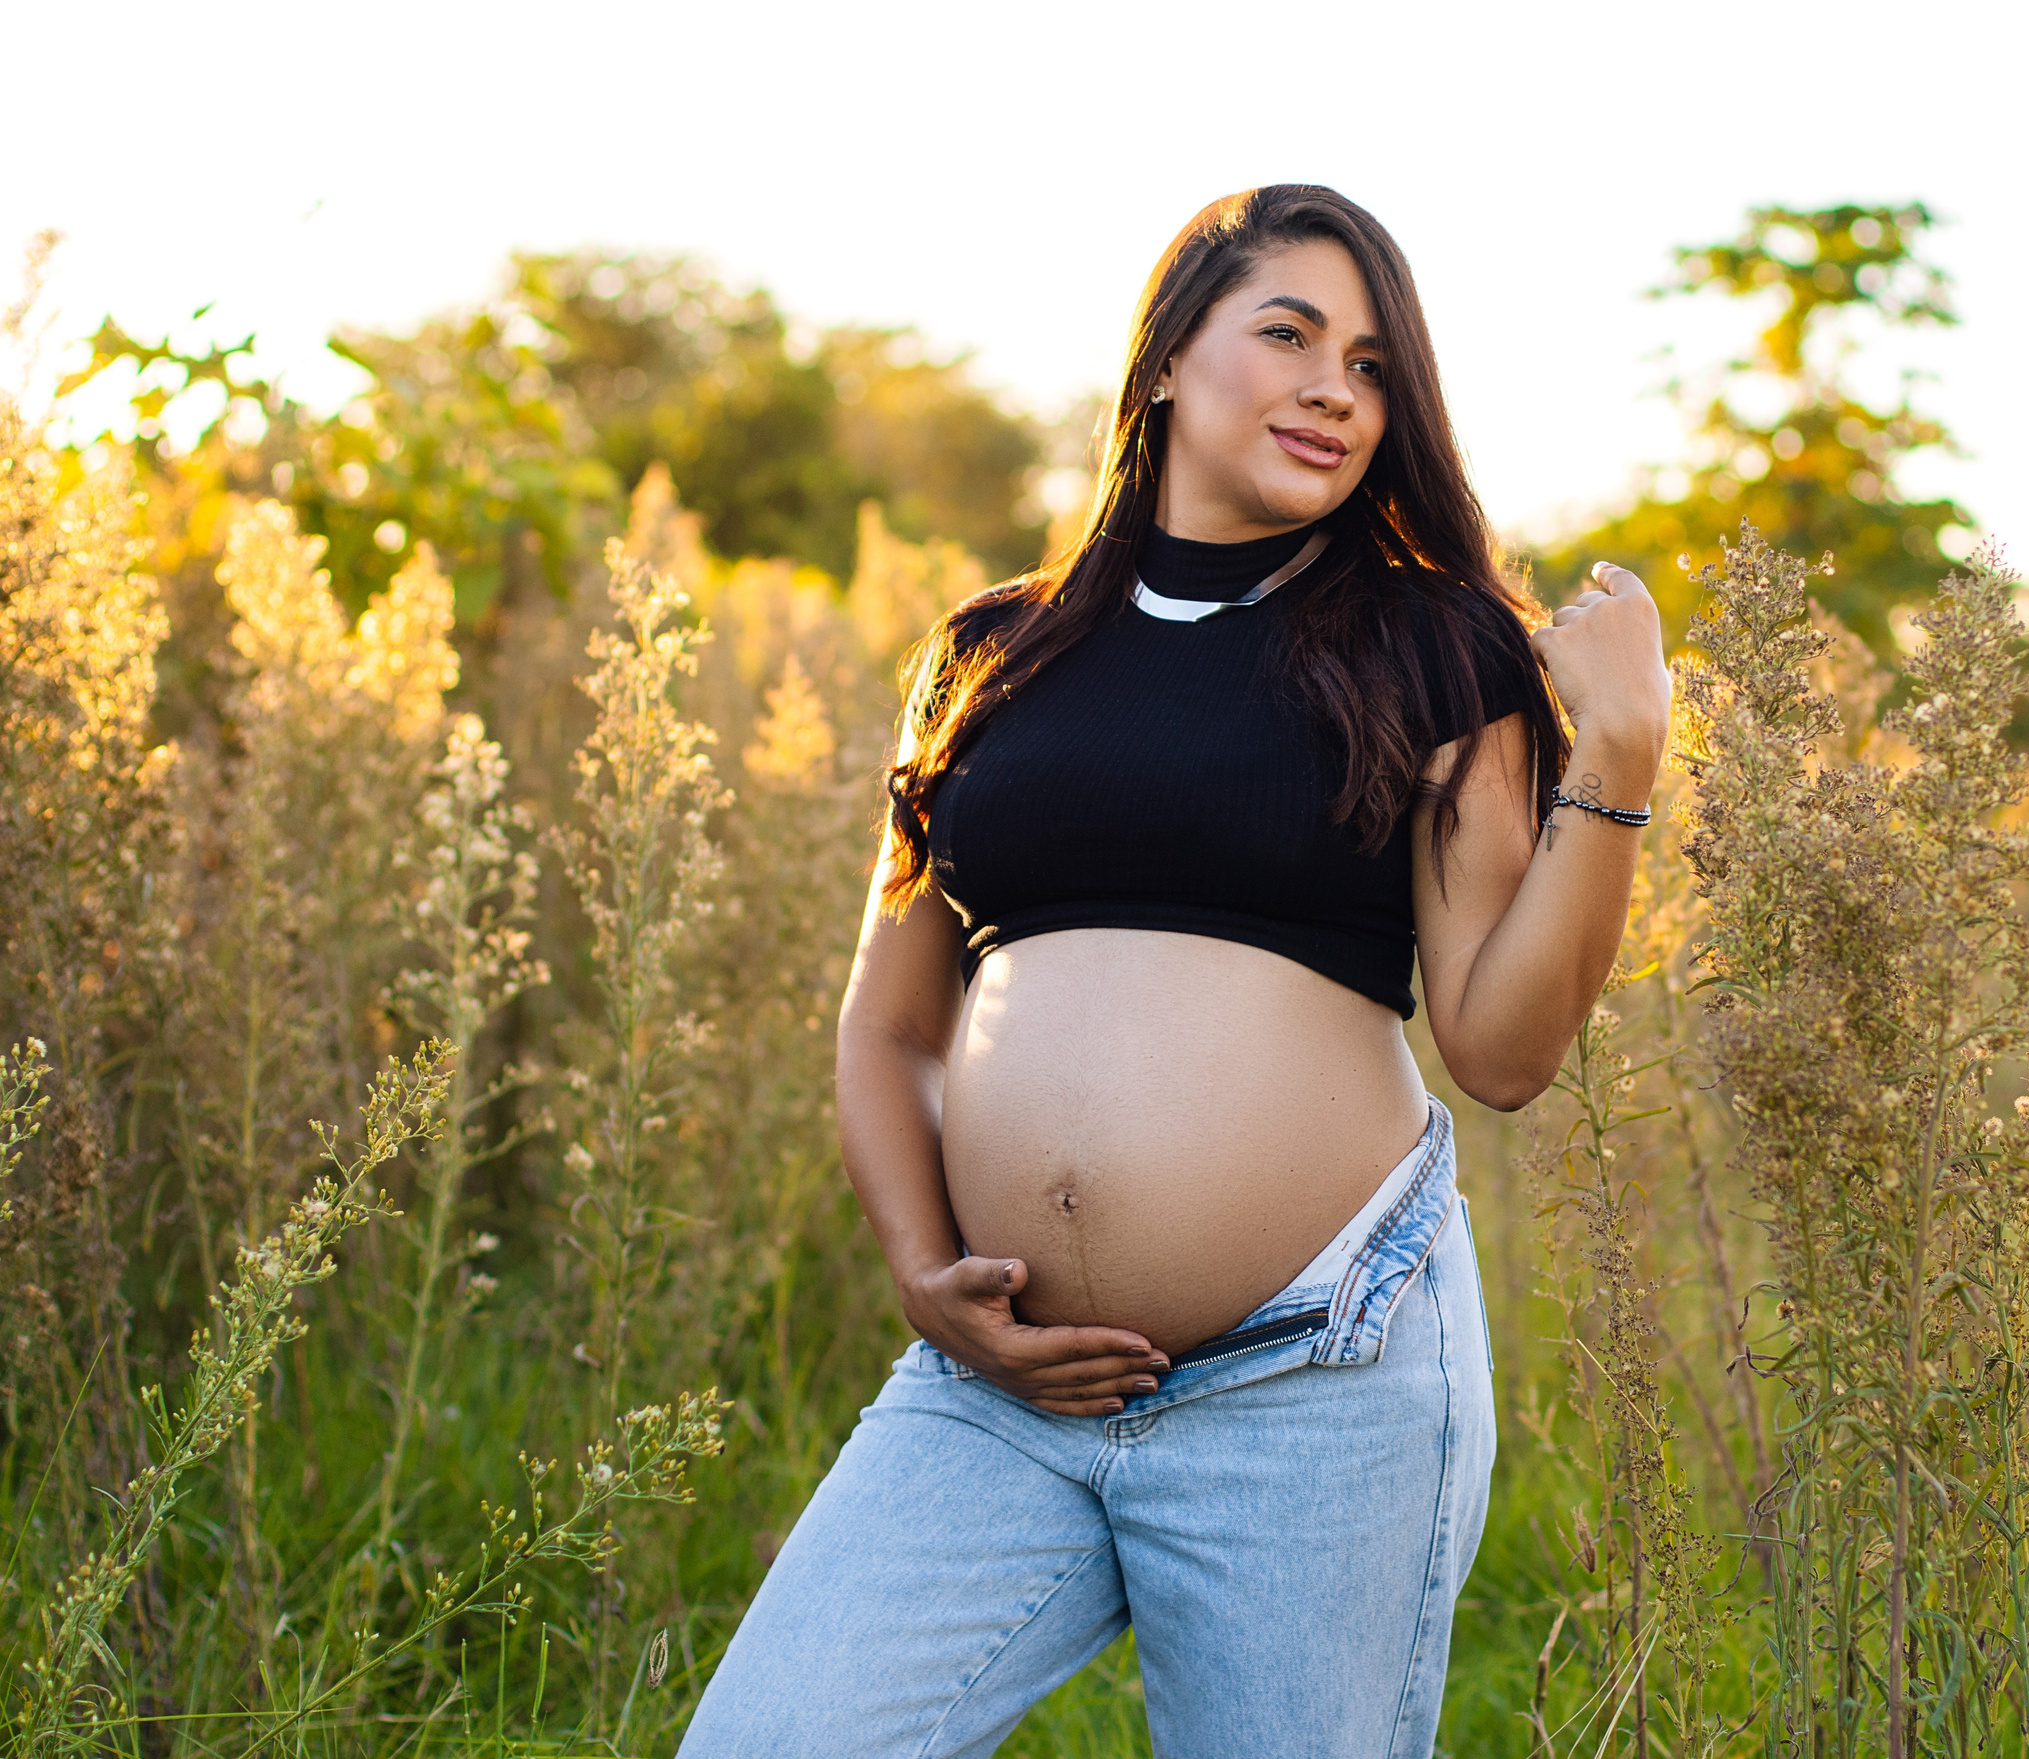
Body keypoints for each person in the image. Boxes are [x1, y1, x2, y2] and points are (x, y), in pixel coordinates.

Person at [677, 184, 1672, 1758]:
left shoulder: (1440, 646)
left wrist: (1613, 757)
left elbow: (1500, 1048)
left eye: (1372, 362)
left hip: (1316, 1384)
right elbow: (891, 1024)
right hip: (1001, 1391)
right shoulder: (989, 651)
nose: (1336, 386)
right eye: (1286, 333)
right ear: (1162, 361)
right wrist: (927, 1278)